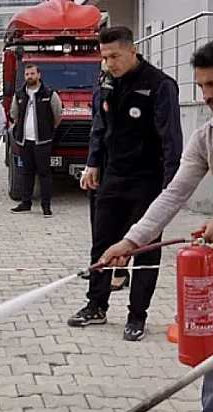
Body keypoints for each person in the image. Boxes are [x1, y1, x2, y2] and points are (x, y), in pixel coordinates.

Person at [98, 38, 213, 412]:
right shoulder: (207, 136)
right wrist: (132, 241)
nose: (207, 95)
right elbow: (174, 194)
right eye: (201, 86)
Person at [68, 26, 184, 341]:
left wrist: (171, 190)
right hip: (111, 178)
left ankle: (137, 316)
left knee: (144, 250)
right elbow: (98, 127)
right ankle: (96, 305)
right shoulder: (106, 82)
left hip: (147, 182)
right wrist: (92, 162)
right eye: (104, 58)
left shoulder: (159, 86)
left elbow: (172, 142)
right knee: (102, 245)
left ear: (132, 51)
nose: (109, 63)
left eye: (115, 56)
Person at [85, 66, 131, 290]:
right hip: (102, 164)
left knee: (120, 223)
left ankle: (120, 272)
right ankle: (99, 269)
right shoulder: (101, 91)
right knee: (99, 222)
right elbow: (97, 128)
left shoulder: (129, 91)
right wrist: (91, 163)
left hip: (121, 166)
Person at [9, 63, 63, 217]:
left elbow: (58, 115)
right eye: (27, 74)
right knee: (27, 173)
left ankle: (46, 206)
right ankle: (26, 203)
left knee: (44, 173)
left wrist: (48, 130)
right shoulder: (19, 95)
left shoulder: (49, 94)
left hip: (43, 141)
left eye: (32, 74)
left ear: (39, 75)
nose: (29, 77)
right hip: (25, 141)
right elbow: (14, 114)